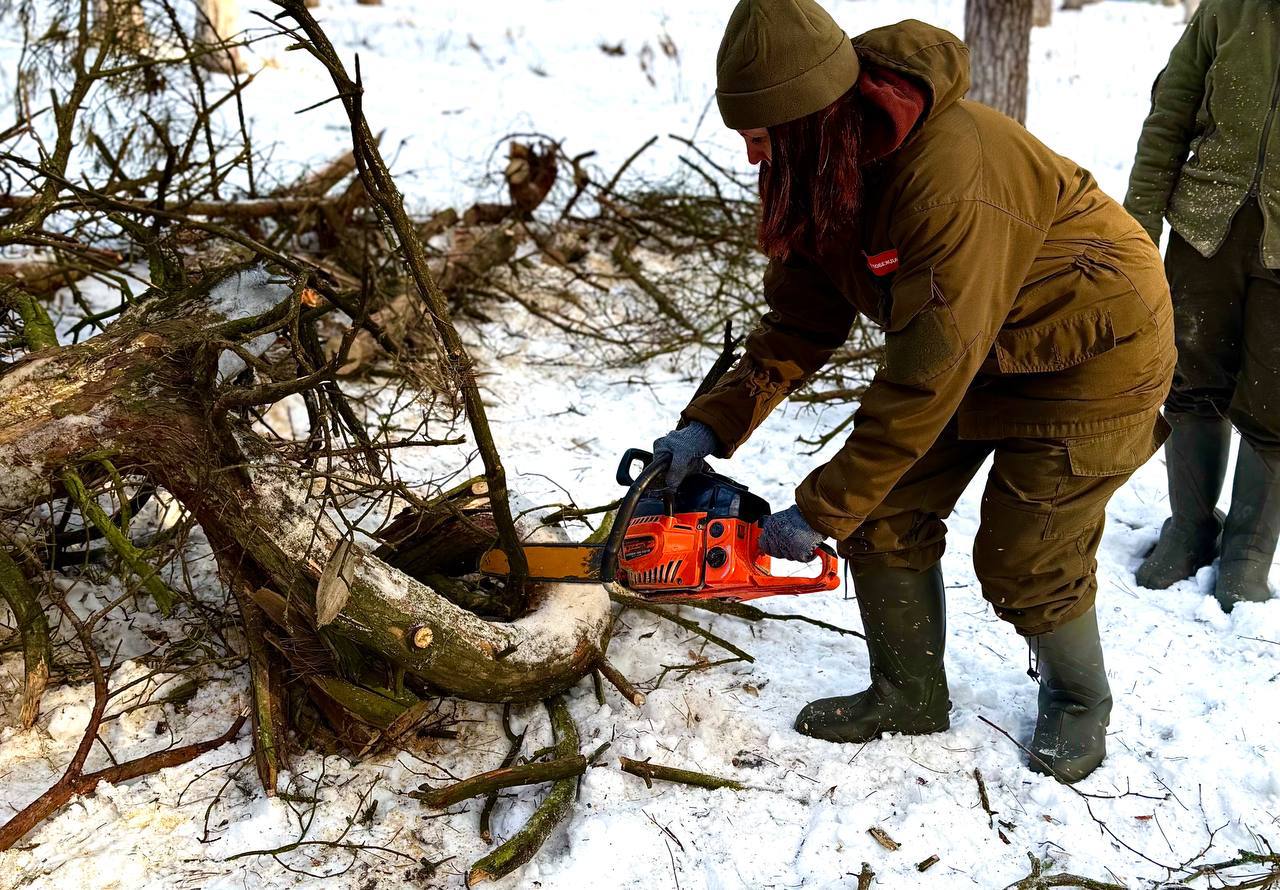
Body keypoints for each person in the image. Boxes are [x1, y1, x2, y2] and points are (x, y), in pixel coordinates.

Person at [652, 0, 1175, 784]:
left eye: (760, 141)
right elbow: (800, 325)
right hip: (980, 345)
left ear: (806, 121)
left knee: (1022, 553)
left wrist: (821, 507)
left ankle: (1077, 699)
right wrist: (710, 427)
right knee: (887, 510)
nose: (754, 160)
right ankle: (908, 694)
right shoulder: (821, 174)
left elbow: (924, 379)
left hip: (1093, 348)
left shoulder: (946, 182)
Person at [1124, 0, 1280, 612]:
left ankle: (1249, 552)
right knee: (1190, 384)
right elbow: (1170, 117)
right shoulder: (1226, 10)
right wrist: (1137, 231)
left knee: (1274, 404)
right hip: (1203, 230)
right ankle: (1190, 528)